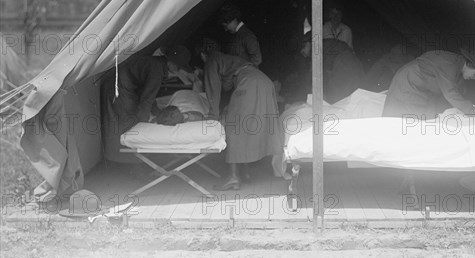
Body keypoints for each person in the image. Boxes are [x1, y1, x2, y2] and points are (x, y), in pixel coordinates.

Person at [199, 42, 283, 190]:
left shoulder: (212, 60)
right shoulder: (228, 60)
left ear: (202, 55)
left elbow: (214, 87)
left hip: (250, 84)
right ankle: (245, 173)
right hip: (264, 81)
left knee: (233, 127)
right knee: (244, 128)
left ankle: (233, 177)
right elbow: (226, 85)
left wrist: (213, 116)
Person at [101, 46, 193, 163]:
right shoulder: (157, 71)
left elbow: (147, 93)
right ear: (171, 62)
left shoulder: (157, 64)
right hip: (118, 87)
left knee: (125, 121)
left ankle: (122, 160)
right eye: (178, 66)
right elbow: (146, 99)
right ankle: (127, 162)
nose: (178, 70)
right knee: (126, 122)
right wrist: (144, 125)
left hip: (120, 84)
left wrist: (157, 112)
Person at [382, 47, 475, 119]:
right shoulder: (449, 64)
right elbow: (451, 94)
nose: (474, 78)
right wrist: (473, 111)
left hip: (422, 91)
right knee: (404, 121)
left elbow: (455, 91)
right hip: (408, 85)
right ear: (470, 65)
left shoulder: (457, 65)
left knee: (427, 119)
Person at [300, 33, 364, 104]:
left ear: (308, 44)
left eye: (303, 51)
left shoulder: (317, 49)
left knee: (338, 99)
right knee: (353, 99)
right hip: (356, 65)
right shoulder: (325, 44)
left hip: (344, 66)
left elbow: (317, 75)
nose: (304, 55)